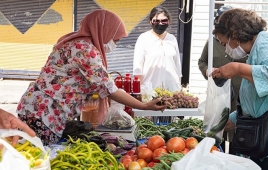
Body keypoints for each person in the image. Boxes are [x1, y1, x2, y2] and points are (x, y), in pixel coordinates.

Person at [16, 9, 167, 146]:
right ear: (104, 31)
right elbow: (109, 88)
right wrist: (144, 106)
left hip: (36, 108)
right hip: (44, 114)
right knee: (36, 158)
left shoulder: (74, 42)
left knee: (30, 154)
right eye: (116, 40)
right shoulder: (85, 50)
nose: (115, 45)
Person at [211, 8, 268, 169]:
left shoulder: (266, 42)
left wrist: (238, 69)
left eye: (224, 43)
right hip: (267, 141)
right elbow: (260, 100)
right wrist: (231, 119)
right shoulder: (255, 51)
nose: (225, 49)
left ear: (234, 34)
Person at [198, 5, 246, 154]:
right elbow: (202, 61)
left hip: (240, 95)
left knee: (238, 133)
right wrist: (207, 70)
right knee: (217, 130)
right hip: (218, 93)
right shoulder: (212, 41)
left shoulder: (243, 43)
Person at [133, 6, 182, 123]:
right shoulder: (143, 39)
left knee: (171, 131)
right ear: (150, 22)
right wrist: (139, 94)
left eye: (164, 21)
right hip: (150, 93)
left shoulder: (172, 39)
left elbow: (177, 67)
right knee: (150, 130)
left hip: (171, 93)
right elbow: (137, 68)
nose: (160, 24)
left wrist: (179, 91)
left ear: (168, 21)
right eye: (156, 21)